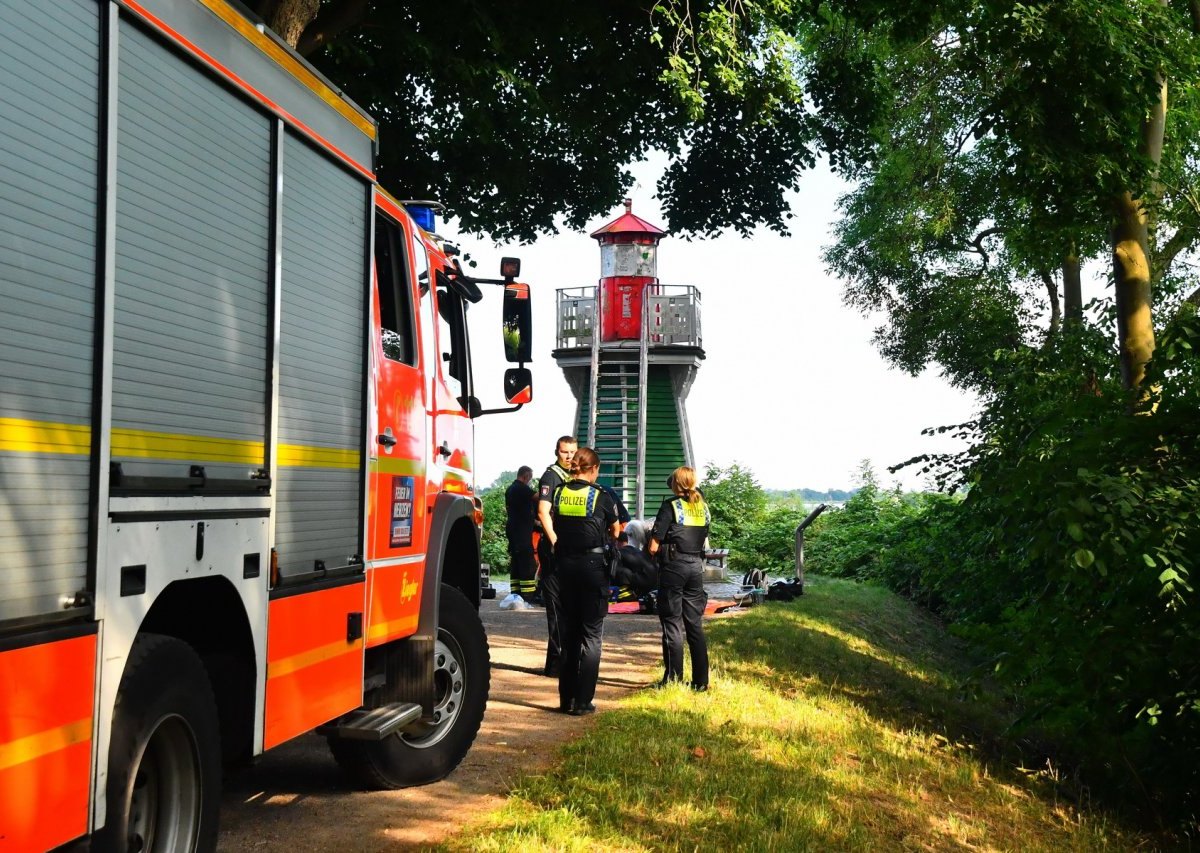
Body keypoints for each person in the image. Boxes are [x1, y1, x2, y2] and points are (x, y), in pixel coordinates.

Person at [543, 447, 619, 715]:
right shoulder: (602, 495)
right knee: (591, 635)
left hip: (565, 568)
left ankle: (566, 700)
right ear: (594, 469)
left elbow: (551, 518)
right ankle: (584, 701)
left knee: (569, 634)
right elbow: (616, 529)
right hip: (592, 568)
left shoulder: (560, 492)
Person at [648, 465, 711, 691]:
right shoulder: (702, 507)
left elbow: (654, 545)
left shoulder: (670, 507)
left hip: (673, 567)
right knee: (694, 624)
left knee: (672, 622)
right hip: (696, 567)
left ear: (676, 484)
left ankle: (673, 679)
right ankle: (701, 682)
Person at [535, 435, 577, 676]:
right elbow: (543, 511)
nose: (569, 457)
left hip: (571, 549)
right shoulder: (551, 476)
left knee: (568, 607)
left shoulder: (573, 476)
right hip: (555, 548)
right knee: (556, 608)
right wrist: (555, 542)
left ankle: (563, 661)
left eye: (573, 452)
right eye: (565, 452)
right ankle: (555, 665)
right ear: (557, 452)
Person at [504, 466, 537, 600]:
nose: (530, 481)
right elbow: (538, 497)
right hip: (522, 532)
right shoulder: (522, 488)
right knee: (527, 563)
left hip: (513, 529)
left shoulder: (510, 489)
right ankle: (528, 595)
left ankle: (516, 594)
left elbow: (519, 512)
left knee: (516, 563)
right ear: (526, 476)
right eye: (530, 478)